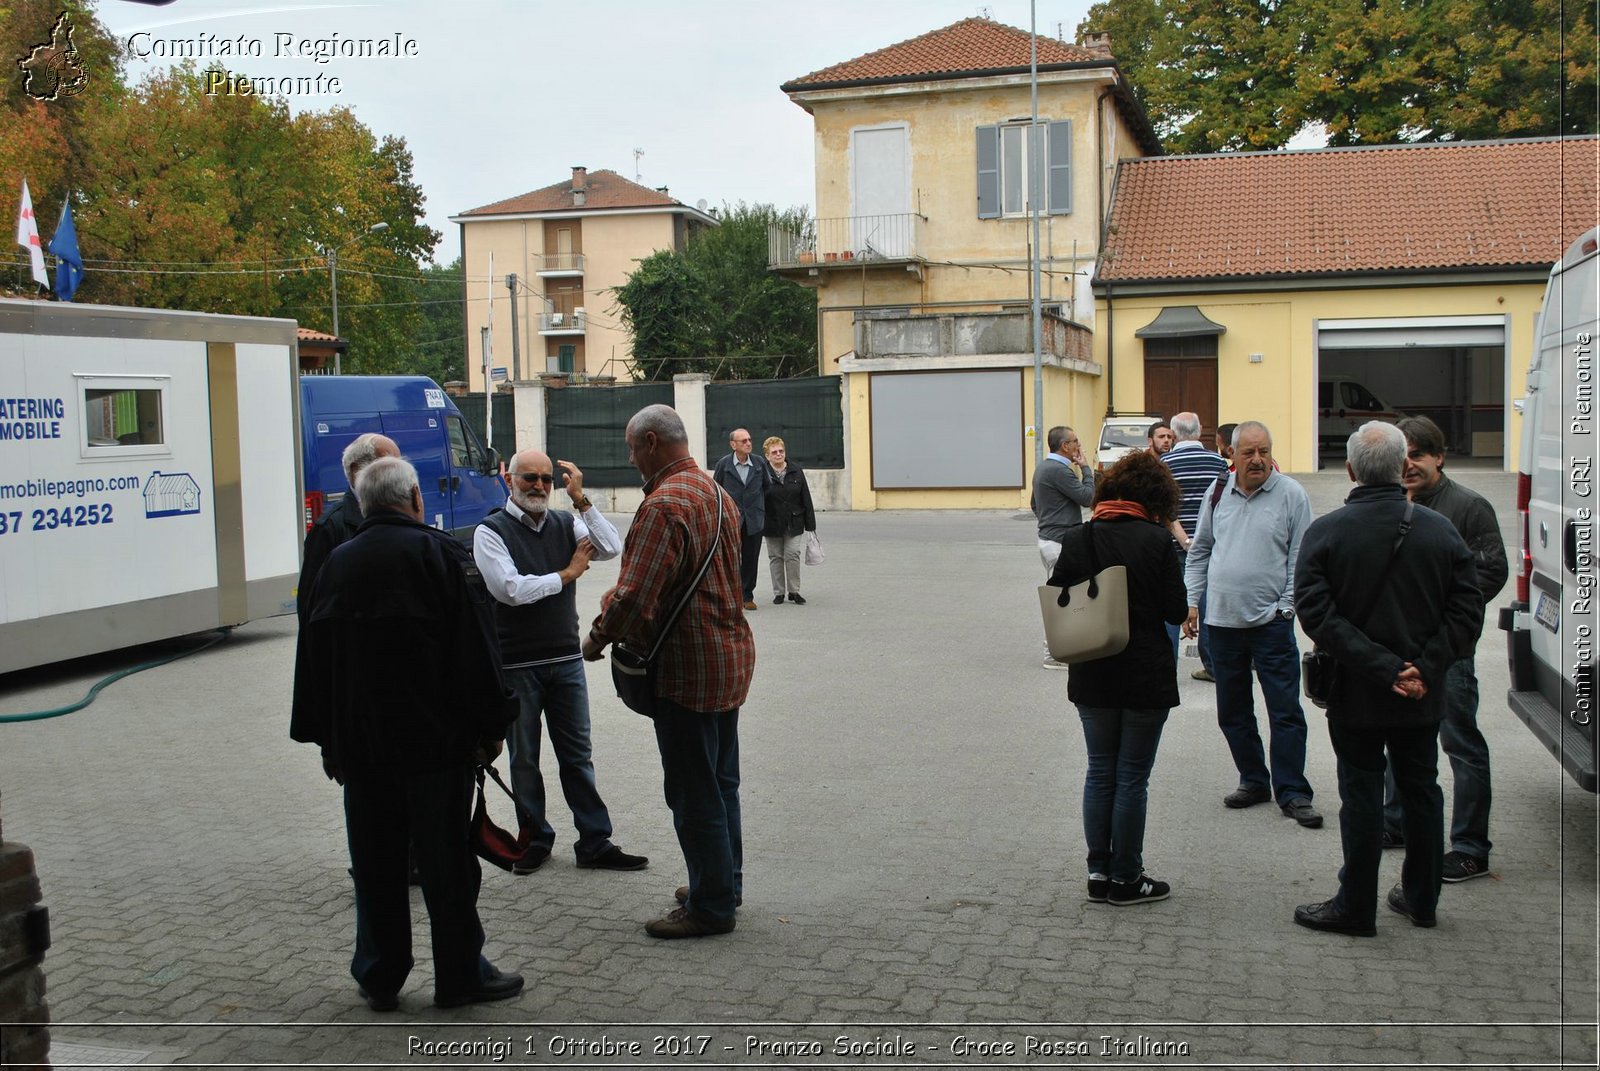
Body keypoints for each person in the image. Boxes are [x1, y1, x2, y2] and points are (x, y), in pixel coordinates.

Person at [290, 456, 523, 1010]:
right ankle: (461, 974)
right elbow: (478, 653)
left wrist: (327, 741)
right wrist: (494, 727)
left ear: (365, 504)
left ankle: (380, 975)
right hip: (434, 749)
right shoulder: (442, 557)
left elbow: (313, 659)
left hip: (363, 751)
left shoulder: (336, 564)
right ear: (416, 498)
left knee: (375, 865)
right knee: (446, 866)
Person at [1292, 421, 1482, 935]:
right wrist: (1424, 665)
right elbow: (1467, 610)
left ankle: (1356, 907)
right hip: (1420, 693)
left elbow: (1317, 616)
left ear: (1350, 470)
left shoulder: (1326, 533)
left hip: (1357, 693)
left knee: (1361, 794)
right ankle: (1422, 900)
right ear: (1402, 469)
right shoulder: (1440, 531)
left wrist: (1383, 668)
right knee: (1421, 790)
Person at [583, 405, 755, 939]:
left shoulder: (663, 505)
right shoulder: (717, 495)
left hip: (685, 670)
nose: (631, 459)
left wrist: (596, 636)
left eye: (633, 449)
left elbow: (636, 596)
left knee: (693, 792)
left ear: (652, 442)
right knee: (722, 783)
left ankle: (710, 907)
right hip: (726, 661)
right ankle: (723, 882)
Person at [473, 449, 647, 876]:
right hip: (517, 664)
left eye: (546, 479)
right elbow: (510, 589)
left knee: (577, 755)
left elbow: (610, 547)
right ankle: (534, 839)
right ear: (508, 479)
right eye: (529, 477)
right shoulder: (489, 531)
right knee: (524, 759)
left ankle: (594, 840)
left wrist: (581, 499)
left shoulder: (565, 521)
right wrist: (567, 575)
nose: (538, 486)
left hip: (565, 659)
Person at [1048, 452, 1188, 906]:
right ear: (1157, 497)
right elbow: (1173, 609)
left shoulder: (1079, 537)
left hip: (1093, 670)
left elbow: (1059, 596)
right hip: (1144, 674)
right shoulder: (1156, 541)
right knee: (1131, 778)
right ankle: (1127, 878)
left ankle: (1097, 873)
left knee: (1100, 772)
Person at [1379, 416, 1507, 881]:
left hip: (1448, 654)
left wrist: (1444, 627)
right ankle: (1394, 825)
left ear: (1439, 457)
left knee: (1461, 744)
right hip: (1400, 653)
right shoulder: (1392, 503)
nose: (1409, 465)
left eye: (1418, 455)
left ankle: (1471, 847)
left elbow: (1490, 575)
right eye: (1403, 456)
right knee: (1400, 738)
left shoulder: (1469, 507)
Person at [1183, 421, 1321, 828]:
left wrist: (1287, 607)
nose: (1258, 460)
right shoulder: (1218, 491)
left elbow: (1302, 559)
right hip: (1221, 623)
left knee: (1285, 711)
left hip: (1271, 624)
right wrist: (1192, 600)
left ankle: (1293, 791)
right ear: (1234, 455)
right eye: (1249, 453)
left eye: (1264, 451)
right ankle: (1254, 780)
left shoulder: (1291, 494)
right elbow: (1201, 548)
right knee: (1233, 711)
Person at [296, 432, 400, 622]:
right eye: (389, 467)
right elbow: (310, 606)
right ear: (356, 470)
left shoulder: (403, 517)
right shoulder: (330, 528)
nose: (399, 475)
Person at [1162, 413, 1230, 680]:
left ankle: (1167, 669)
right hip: (1210, 544)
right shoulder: (1218, 462)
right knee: (1208, 605)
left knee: (1171, 604)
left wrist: (1183, 539)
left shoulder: (1164, 463)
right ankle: (1213, 665)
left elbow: (1163, 507)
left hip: (1173, 544)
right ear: (1200, 432)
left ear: (1175, 434)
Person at [1031, 426, 1096, 670]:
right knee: (1061, 597)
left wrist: (1048, 522)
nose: (1079, 445)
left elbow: (1035, 505)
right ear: (1064, 446)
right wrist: (1086, 468)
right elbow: (1089, 497)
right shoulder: (1059, 471)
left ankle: (1064, 648)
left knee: (1065, 594)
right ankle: (1053, 654)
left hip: (1051, 538)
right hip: (1059, 542)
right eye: (1075, 441)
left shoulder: (1043, 468)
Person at [712, 427, 770, 611]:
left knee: (751, 559)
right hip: (731, 520)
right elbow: (717, 490)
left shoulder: (759, 463)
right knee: (730, 559)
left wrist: (757, 507)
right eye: (743, 441)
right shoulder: (724, 464)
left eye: (749, 439)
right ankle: (731, 595)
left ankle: (747, 596)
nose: (748, 443)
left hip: (754, 520)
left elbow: (767, 487)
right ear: (733, 444)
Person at [760, 435, 817, 606]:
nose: (778, 454)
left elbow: (805, 497)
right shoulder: (762, 473)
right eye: (774, 452)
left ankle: (794, 591)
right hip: (771, 522)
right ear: (767, 456)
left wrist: (810, 524)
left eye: (781, 451)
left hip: (794, 520)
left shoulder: (796, 470)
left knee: (792, 554)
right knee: (775, 557)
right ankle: (779, 593)